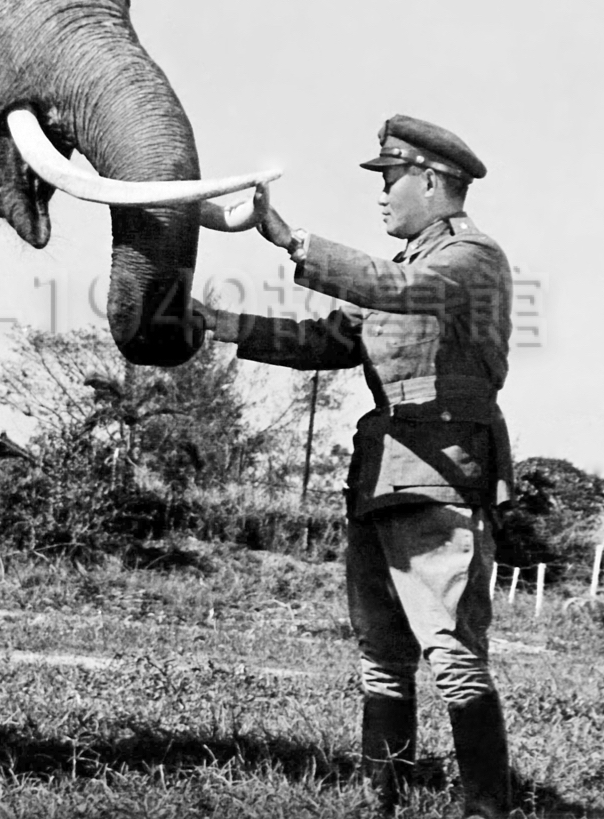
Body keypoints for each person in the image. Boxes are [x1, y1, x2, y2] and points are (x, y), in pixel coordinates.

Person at [194, 116, 518, 818]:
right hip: (381, 483)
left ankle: (487, 810)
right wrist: (219, 324)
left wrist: (288, 238)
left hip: (439, 484)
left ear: (432, 182)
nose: (382, 195)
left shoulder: (469, 260)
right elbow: (331, 340)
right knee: (382, 657)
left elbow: (388, 293)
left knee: (454, 659)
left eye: (391, 179)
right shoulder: (407, 269)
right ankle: (383, 803)